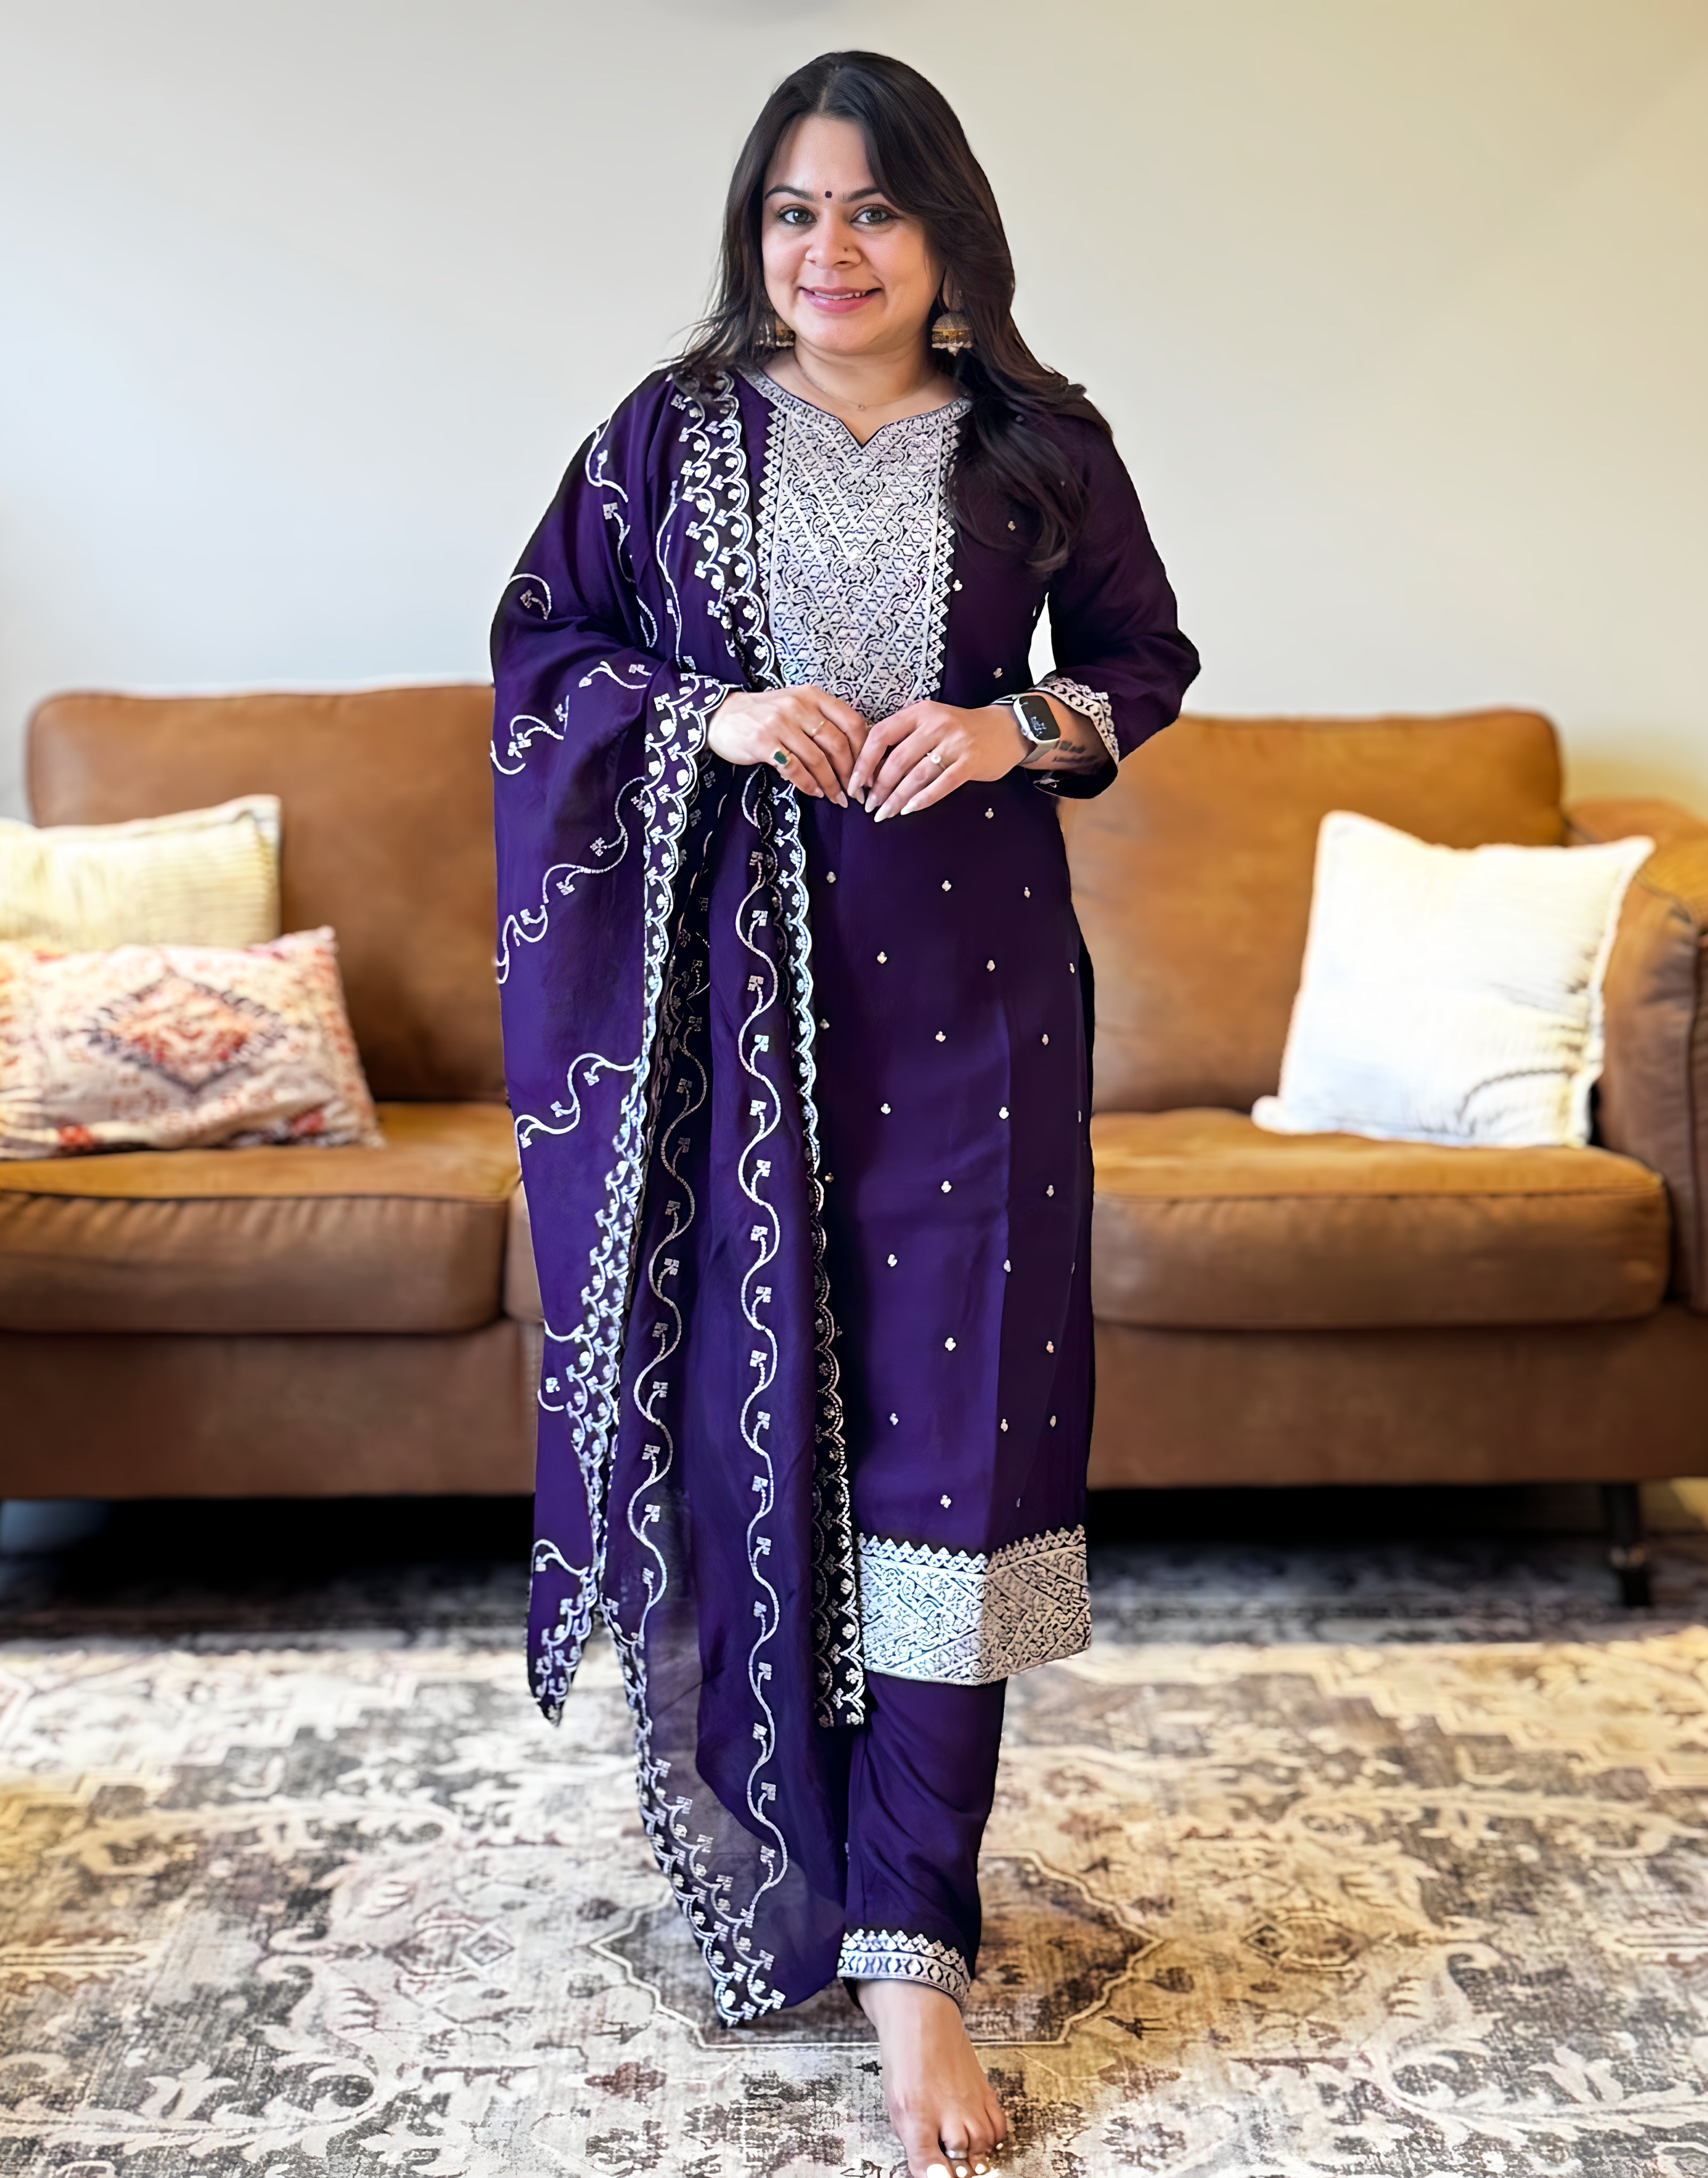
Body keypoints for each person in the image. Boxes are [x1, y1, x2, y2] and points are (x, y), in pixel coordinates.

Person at [491, 49, 1198, 2178]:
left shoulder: (1037, 451)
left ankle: (915, 1945)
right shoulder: (667, 439)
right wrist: (706, 708)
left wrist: (1011, 728)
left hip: (978, 1004)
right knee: (750, 1429)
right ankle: (792, 1854)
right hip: (732, 1029)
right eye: (793, 212)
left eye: (871, 212)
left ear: (947, 242)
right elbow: (540, 649)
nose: (828, 251)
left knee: (958, 1458)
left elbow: (1145, 664)